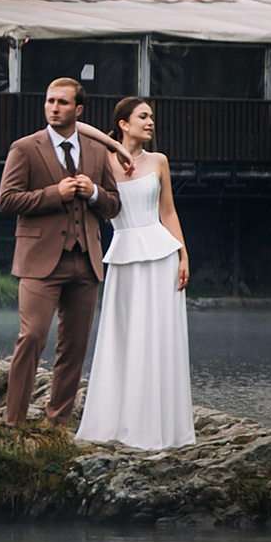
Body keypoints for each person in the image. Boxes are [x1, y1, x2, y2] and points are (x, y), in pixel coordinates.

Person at [0, 76, 122, 430]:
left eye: (63, 103)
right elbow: (7, 201)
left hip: (86, 260)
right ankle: (13, 423)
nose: (54, 108)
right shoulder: (24, 148)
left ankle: (57, 423)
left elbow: (113, 205)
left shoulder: (98, 151)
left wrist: (95, 192)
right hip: (40, 261)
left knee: (74, 349)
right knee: (33, 336)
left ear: (78, 109)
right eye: (50, 101)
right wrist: (56, 193)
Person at [72, 97, 196, 452]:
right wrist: (114, 145)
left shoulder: (159, 161)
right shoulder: (103, 159)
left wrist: (184, 255)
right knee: (124, 337)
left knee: (159, 338)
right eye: (143, 116)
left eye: (152, 117)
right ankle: (118, 422)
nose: (150, 122)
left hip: (161, 254)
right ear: (123, 123)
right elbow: (70, 128)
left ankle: (160, 428)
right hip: (124, 253)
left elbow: (168, 213)